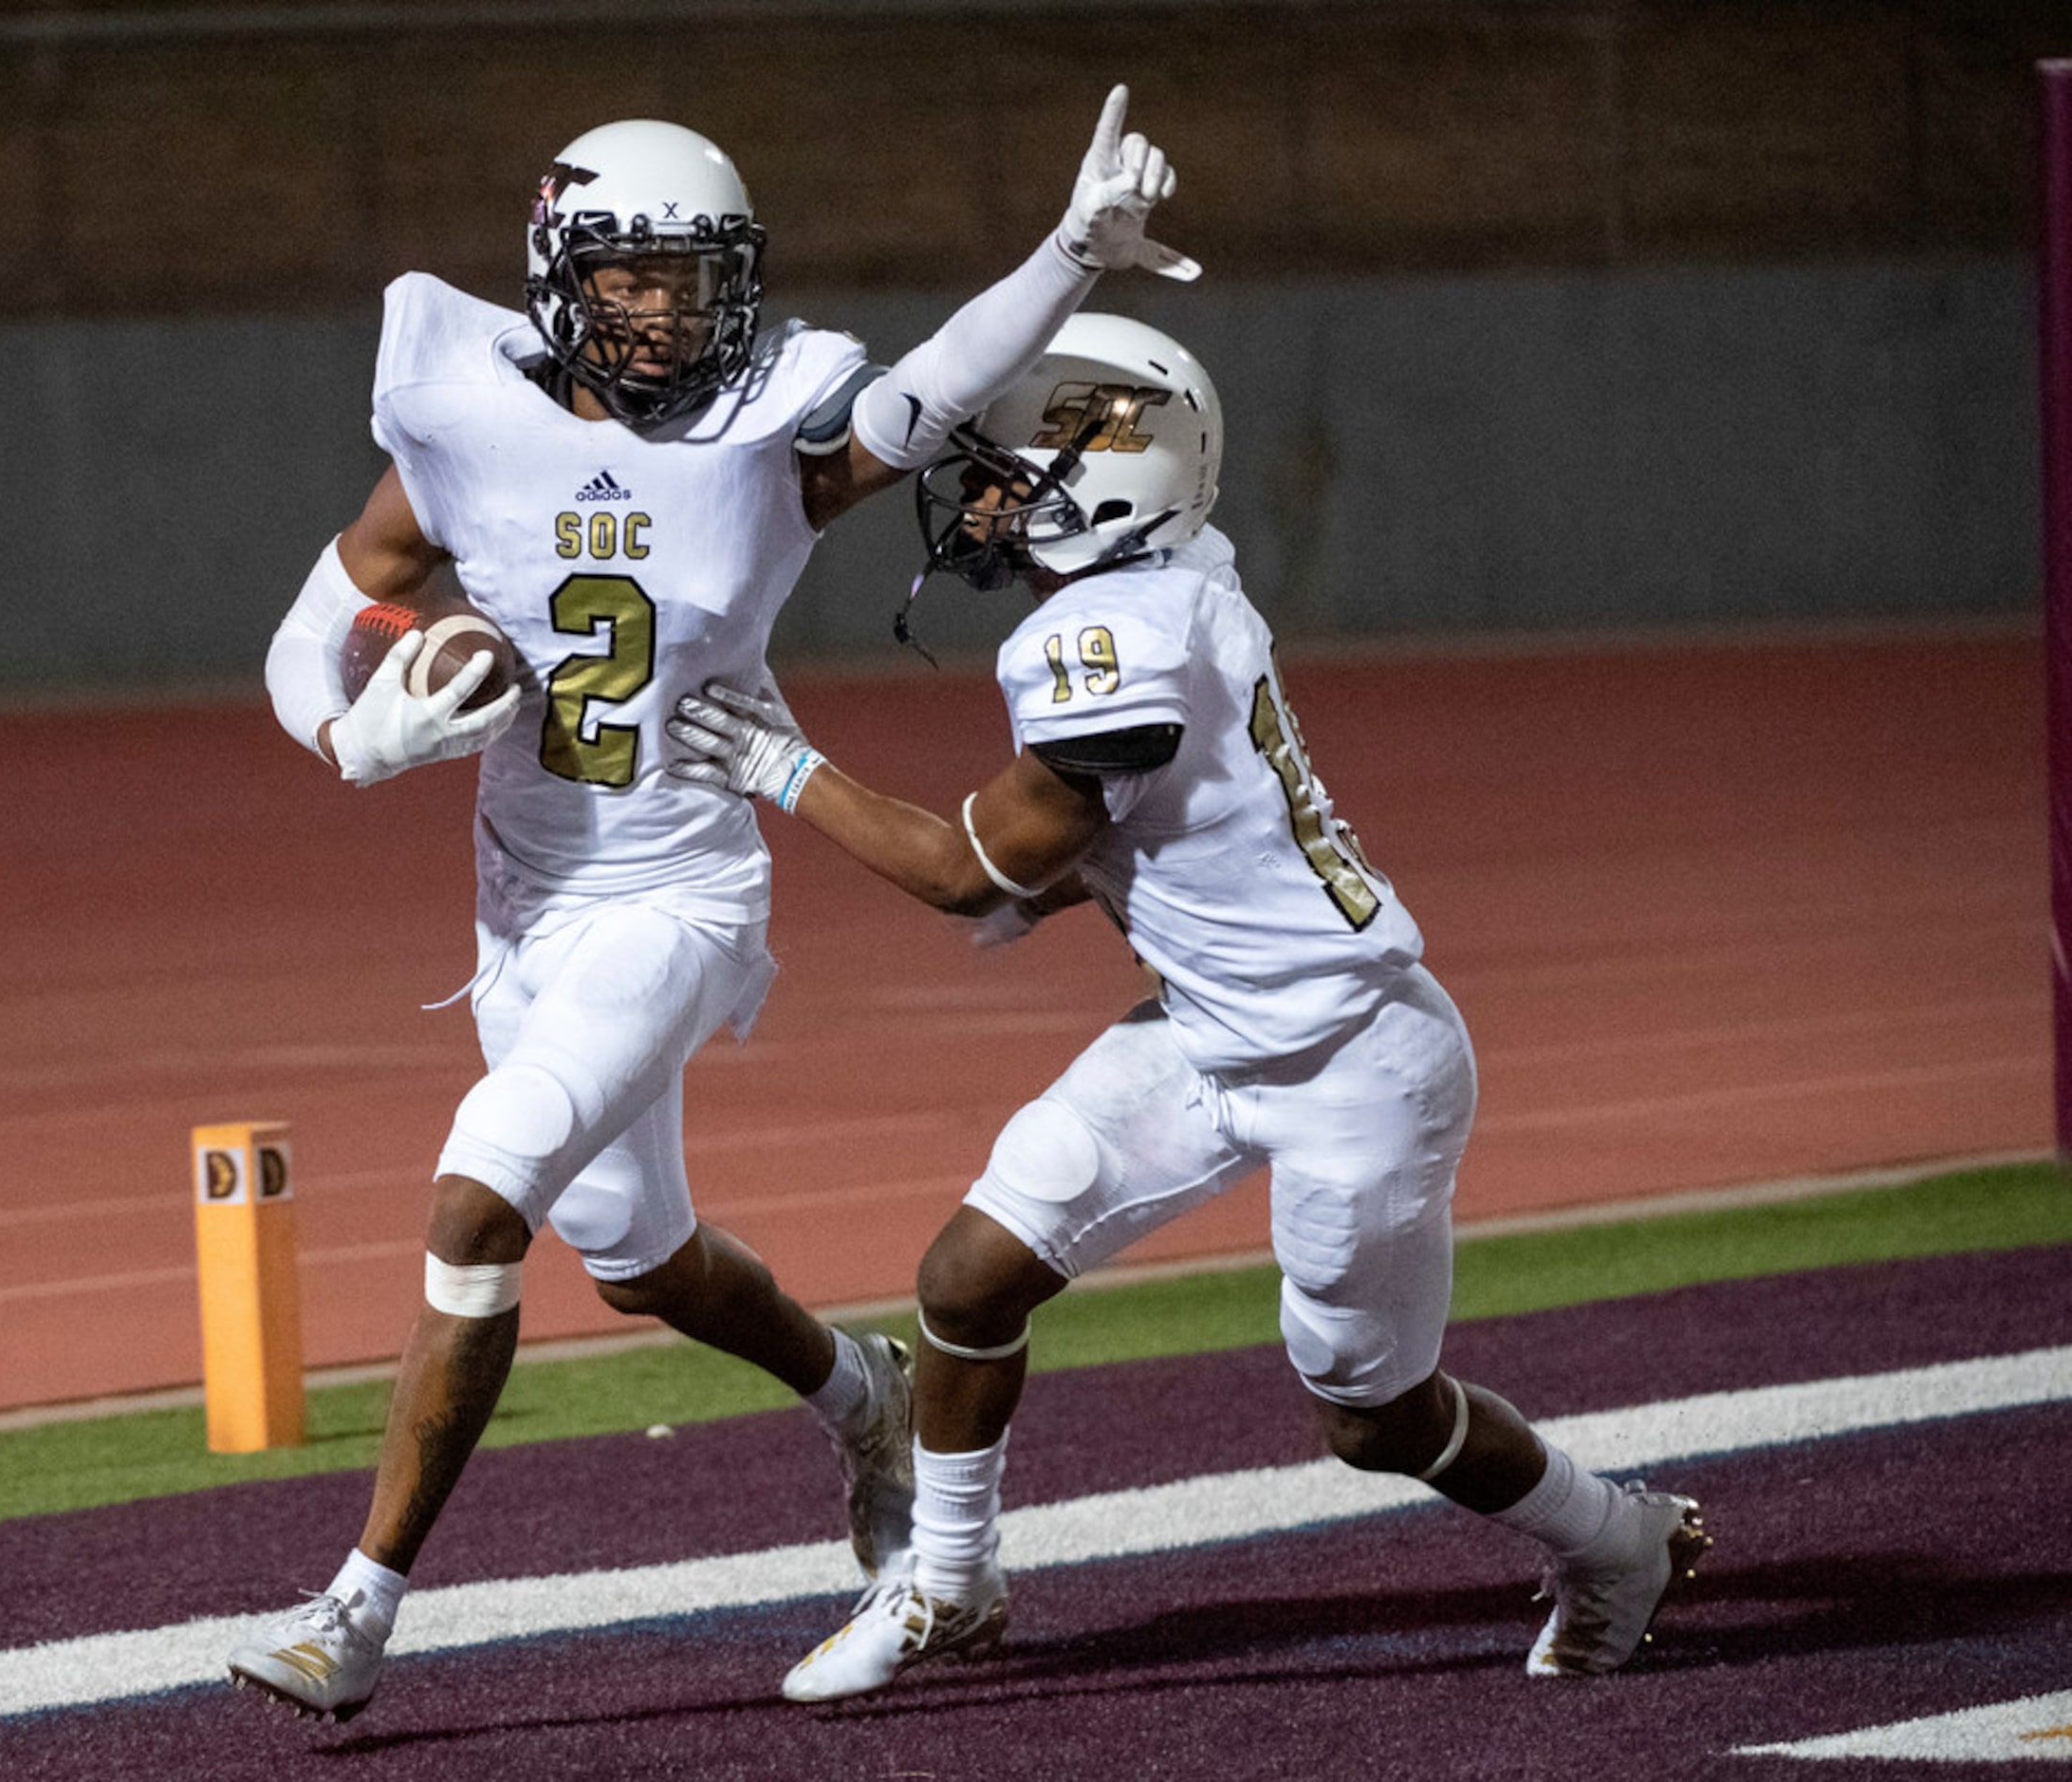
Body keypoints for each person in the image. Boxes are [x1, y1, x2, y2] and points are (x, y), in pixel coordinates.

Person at [225, 93, 1195, 1724]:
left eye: (698, 274)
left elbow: (928, 390)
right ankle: (864, 1394)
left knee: (479, 1199)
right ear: (559, 273)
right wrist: (355, 729)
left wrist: (1060, 254)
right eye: (637, 276)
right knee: (643, 1257)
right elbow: (308, 632)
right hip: (521, 908)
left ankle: (355, 1609)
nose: (672, 307)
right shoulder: (461, 419)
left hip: (678, 894)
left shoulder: (769, 437)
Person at [665, 313, 1712, 1703]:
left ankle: (1615, 1536)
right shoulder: (1167, 577)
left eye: (1003, 469)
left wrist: (782, 765)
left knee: (1371, 1415)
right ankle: (952, 1579)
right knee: (970, 1274)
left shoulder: (1111, 635)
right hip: (1212, 1026)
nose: (977, 497)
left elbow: (967, 868)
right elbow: (1110, 828)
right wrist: (1037, 885)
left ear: (1109, 485)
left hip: (1353, 1057)